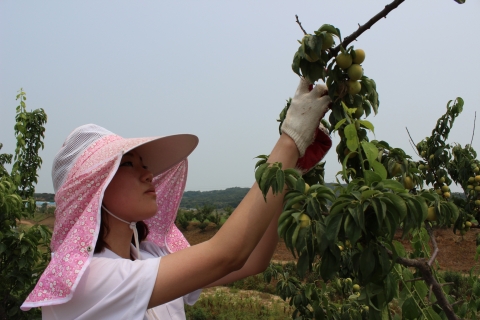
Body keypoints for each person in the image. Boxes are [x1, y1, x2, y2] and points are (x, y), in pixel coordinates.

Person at [21, 78, 332, 319]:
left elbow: (252, 261)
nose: (147, 175)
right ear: (94, 190)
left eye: (145, 165)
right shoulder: (86, 280)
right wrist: (291, 138)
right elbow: (228, 254)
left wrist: (289, 175)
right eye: (128, 164)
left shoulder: (152, 255)